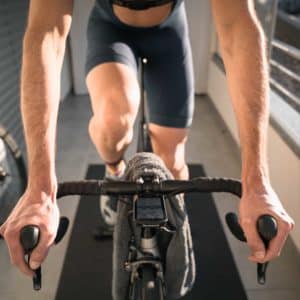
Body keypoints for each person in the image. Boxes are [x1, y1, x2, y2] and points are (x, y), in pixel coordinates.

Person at [0, 0, 294, 279]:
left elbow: (237, 25)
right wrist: (39, 188)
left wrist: (257, 182)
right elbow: (45, 33)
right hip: (110, 30)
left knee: (173, 160)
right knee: (115, 117)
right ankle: (114, 168)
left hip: (169, 33)